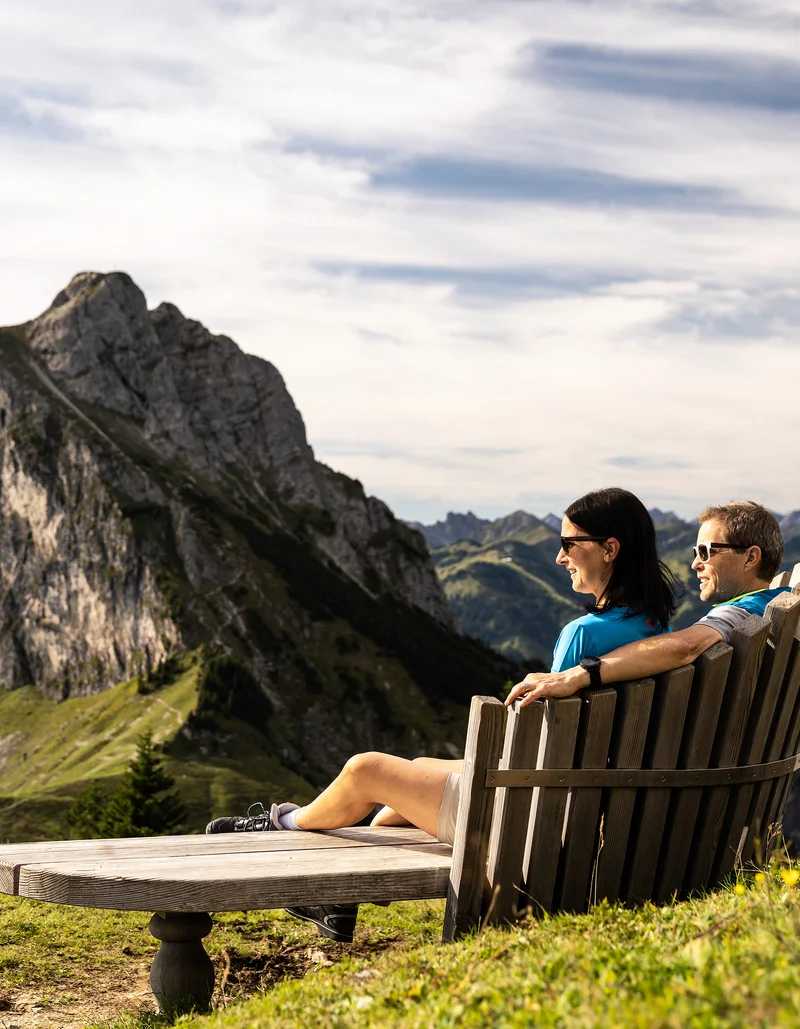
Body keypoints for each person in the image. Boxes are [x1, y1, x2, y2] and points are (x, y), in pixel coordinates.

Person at [205, 487, 677, 943]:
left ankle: (282, 824)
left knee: (365, 769)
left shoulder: (584, 636)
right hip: (585, 803)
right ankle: (335, 894)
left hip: (532, 815)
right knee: (412, 777)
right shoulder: (654, 628)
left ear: (609, 548)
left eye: (568, 544)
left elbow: (534, 748)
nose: (559, 557)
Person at [507, 501, 791, 708]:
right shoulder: (773, 606)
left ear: (751, 558)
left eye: (706, 551)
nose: (695, 564)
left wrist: (581, 673)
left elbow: (684, 647)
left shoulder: (741, 614)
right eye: (695, 552)